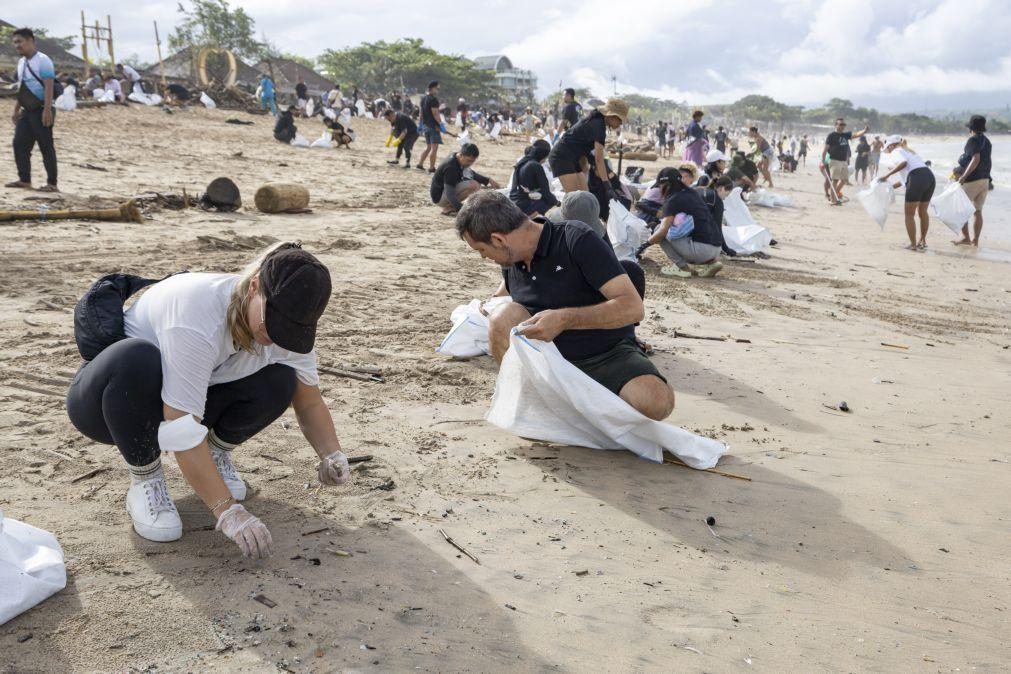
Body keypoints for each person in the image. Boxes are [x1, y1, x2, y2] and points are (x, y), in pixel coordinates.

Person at [65, 243, 351, 554]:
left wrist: (331, 454)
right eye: (273, 322)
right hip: (111, 406)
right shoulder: (197, 313)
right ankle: (146, 479)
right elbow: (181, 428)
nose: (277, 337)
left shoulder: (286, 332)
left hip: (184, 399)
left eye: (291, 331)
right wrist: (228, 511)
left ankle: (213, 457)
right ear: (254, 286)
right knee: (137, 358)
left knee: (281, 378)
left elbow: (309, 402)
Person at [456, 190, 675, 420]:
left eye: (481, 250)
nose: (483, 257)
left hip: (603, 353)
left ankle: (581, 409)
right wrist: (489, 304)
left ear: (499, 240)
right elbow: (506, 295)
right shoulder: (511, 259)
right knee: (501, 316)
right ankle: (533, 403)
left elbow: (632, 308)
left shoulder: (577, 240)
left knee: (656, 402)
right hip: (548, 362)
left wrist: (565, 319)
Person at [637, 167, 724, 278]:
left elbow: (663, 230)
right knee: (694, 231)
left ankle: (682, 268)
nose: (659, 189)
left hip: (700, 252)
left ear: (667, 185)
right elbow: (671, 218)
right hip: (716, 249)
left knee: (659, 229)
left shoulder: (672, 200)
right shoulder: (692, 193)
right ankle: (711, 264)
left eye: (660, 186)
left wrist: (643, 246)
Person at [6, 28, 58, 193]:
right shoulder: (21, 62)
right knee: (19, 144)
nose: (17, 45)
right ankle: (24, 180)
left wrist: (47, 109)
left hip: (42, 109)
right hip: (26, 111)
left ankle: (52, 183)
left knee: (45, 146)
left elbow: (49, 85)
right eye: (15, 42)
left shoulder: (43, 60)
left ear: (30, 41)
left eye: (19, 41)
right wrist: (16, 110)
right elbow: (22, 88)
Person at [548, 97, 627, 193]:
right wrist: (607, 185)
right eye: (620, 120)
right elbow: (599, 160)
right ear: (612, 116)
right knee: (574, 198)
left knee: (585, 195)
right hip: (562, 157)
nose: (620, 123)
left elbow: (593, 156)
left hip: (573, 158)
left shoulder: (598, 121)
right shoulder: (598, 126)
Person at [878, 135, 935, 250]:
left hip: (917, 178)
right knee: (923, 211)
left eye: (888, 149)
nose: (888, 152)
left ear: (891, 145)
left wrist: (887, 175)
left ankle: (913, 244)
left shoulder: (896, 151)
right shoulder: (909, 151)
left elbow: (903, 163)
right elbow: (905, 180)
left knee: (909, 214)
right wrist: (890, 187)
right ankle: (922, 241)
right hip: (929, 176)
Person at [954, 115, 992, 247]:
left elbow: (975, 159)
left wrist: (963, 176)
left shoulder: (972, 140)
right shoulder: (987, 141)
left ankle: (965, 237)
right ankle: (975, 241)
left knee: (961, 210)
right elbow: (987, 161)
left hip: (972, 180)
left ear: (970, 128)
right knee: (978, 211)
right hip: (985, 180)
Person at [431, 143, 500, 215]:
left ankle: (450, 206)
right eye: (469, 160)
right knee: (473, 185)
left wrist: (488, 180)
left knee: (477, 184)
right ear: (461, 155)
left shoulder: (457, 157)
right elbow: (450, 194)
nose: (470, 164)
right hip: (439, 197)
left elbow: (471, 173)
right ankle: (449, 207)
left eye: (472, 161)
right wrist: (461, 209)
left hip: (445, 192)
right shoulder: (451, 167)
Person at [823, 117, 869, 201]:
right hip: (834, 160)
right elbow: (825, 149)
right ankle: (833, 200)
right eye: (840, 124)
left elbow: (856, 134)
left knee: (844, 180)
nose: (842, 126)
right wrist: (822, 161)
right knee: (835, 180)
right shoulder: (831, 135)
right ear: (836, 125)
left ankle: (833, 195)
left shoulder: (846, 135)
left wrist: (864, 131)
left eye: (844, 124)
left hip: (843, 161)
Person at [509, 139, 558, 216]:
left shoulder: (523, 162)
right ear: (544, 155)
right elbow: (546, 193)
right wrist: (558, 203)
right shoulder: (536, 166)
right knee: (548, 202)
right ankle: (528, 219)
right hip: (523, 205)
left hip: (513, 201)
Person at [416, 81, 444, 173]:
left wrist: (420, 124)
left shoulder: (423, 99)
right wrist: (441, 124)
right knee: (434, 148)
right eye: (437, 88)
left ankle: (420, 164)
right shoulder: (433, 100)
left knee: (428, 147)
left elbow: (421, 113)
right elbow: (435, 113)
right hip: (433, 127)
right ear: (432, 88)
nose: (438, 91)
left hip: (425, 126)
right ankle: (432, 168)